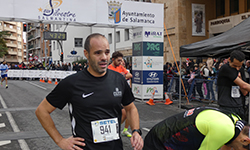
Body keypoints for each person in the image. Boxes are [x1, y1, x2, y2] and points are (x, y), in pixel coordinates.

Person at [35, 33, 143, 150]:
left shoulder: (119, 79)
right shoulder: (71, 83)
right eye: (98, 53)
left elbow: (130, 108)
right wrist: (60, 140)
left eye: (106, 52)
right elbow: (42, 111)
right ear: (86, 54)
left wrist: (136, 131)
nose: (104, 57)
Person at [144, 106, 250, 150]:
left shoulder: (236, 121)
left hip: (164, 135)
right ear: (245, 140)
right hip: (159, 142)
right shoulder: (226, 130)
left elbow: (226, 146)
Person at [108, 52, 133, 138]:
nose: (120, 62)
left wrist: (122, 77)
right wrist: (121, 77)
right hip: (111, 94)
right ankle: (114, 129)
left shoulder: (120, 67)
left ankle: (123, 130)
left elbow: (130, 75)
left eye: (121, 60)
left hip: (121, 93)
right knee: (116, 113)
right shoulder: (109, 68)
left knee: (128, 111)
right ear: (113, 59)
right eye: (118, 60)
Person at [217, 50, 248, 120]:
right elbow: (244, 85)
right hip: (226, 106)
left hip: (239, 105)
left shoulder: (241, 70)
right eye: (234, 65)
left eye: (239, 66)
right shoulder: (225, 68)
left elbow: (245, 92)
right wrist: (241, 83)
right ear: (229, 60)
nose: (237, 68)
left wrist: (240, 80)